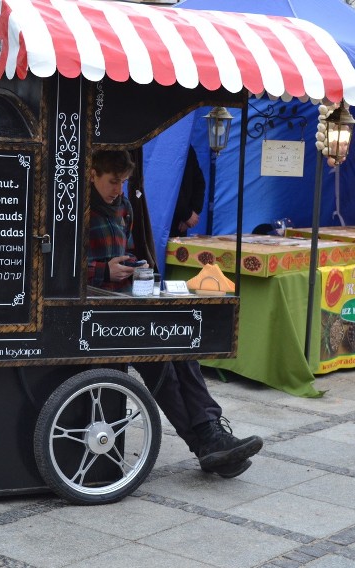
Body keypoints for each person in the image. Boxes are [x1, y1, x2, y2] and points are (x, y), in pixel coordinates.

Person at [87, 149, 263, 478]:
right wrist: (101, 271)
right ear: (92, 174)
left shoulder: (123, 207)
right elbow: (58, 271)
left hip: (128, 301)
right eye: (112, 182)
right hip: (96, 310)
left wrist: (132, 266)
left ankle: (211, 435)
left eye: (123, 183)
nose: (118, 189)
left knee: (184, 350)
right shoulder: (78, 210)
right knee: (161, 370)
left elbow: (125, 251)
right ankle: (207, 444)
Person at [169, 146, 206, 238]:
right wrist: (187, 214)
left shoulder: (187, 148)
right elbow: (165, 186)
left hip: (179, 224)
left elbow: (199, 182)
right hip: (158, 219)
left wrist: (192, 212)